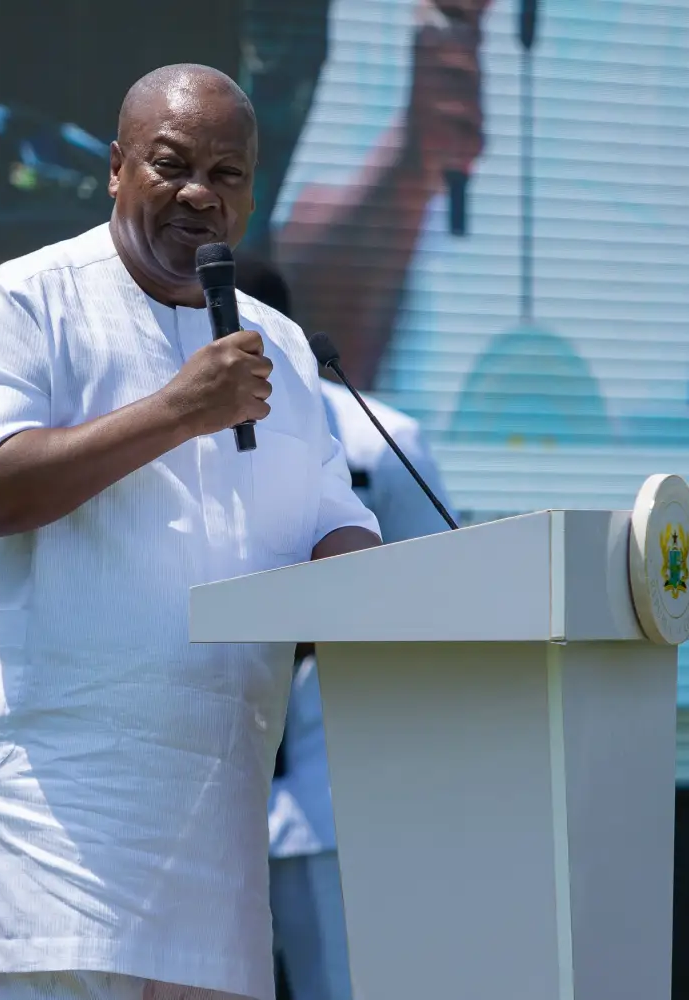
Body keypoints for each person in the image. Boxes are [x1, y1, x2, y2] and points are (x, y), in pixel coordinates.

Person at [0, 64, 382, 1000]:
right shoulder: (23, 304)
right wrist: (177, 411)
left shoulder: (281, 348)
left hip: (218, 834)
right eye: (172, 164)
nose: (200, 193)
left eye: (227, 174)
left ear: (252, 196)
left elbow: (336, 531)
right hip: (57, 825)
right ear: (116, 168)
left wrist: (410, 599)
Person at [273, 0, 689, 449]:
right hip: (421, 511)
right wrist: (409, 165)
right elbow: (302, 340)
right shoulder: (394, 10)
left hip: (633, 521)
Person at [235, 256, 452, 1000]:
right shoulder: (162, 433)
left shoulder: (379, 438)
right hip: (193, 790)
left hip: (332, 797)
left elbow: (442, 594)